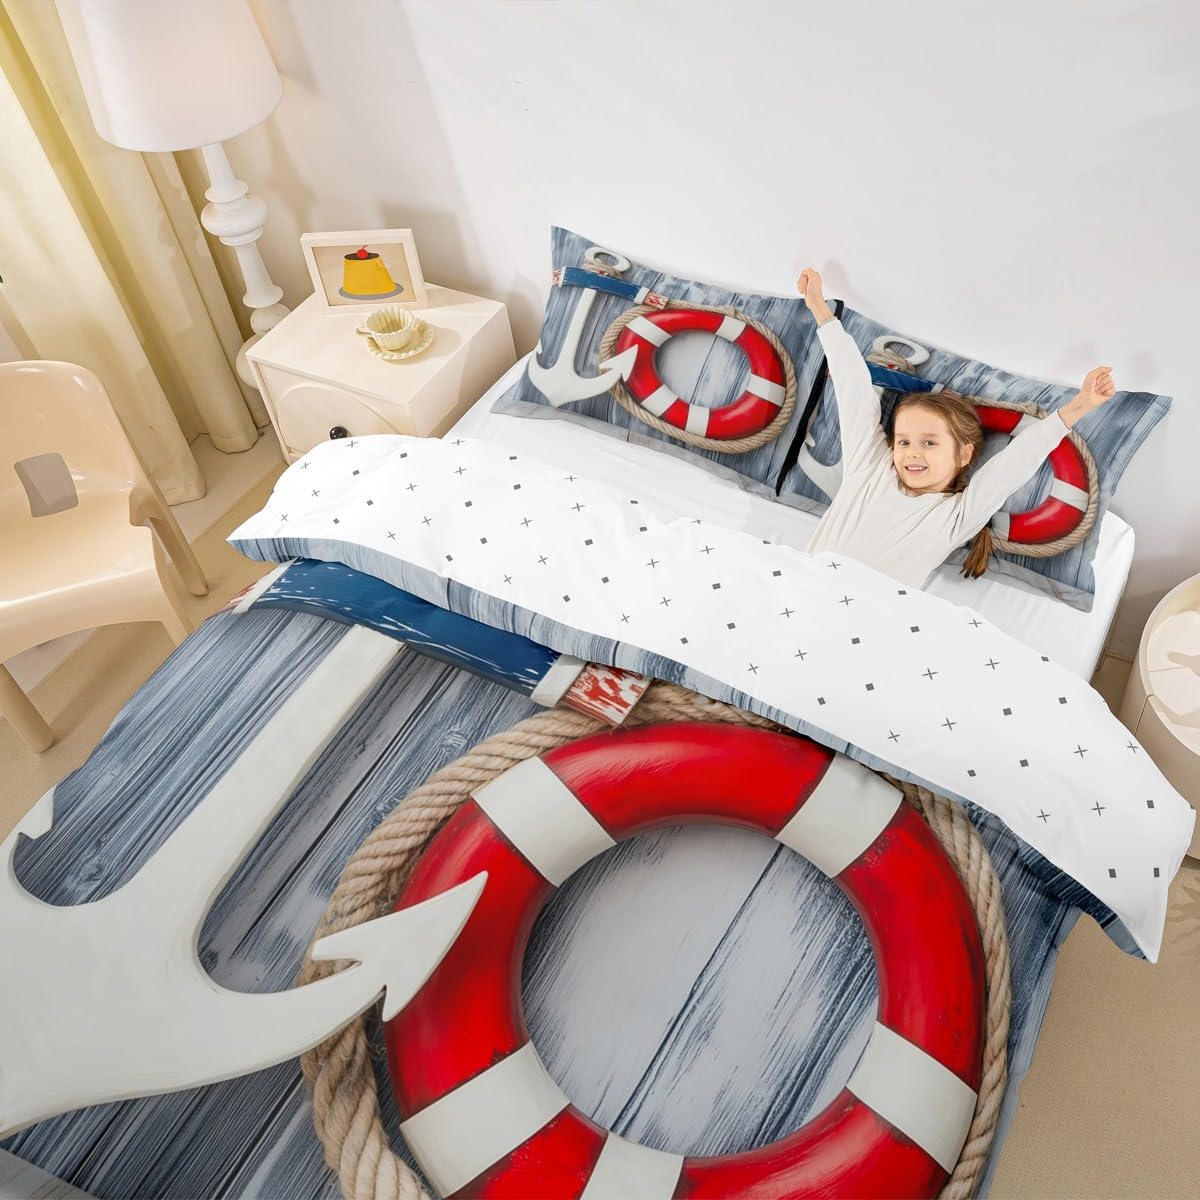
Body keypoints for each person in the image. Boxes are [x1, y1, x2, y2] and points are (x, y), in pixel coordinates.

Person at [796, 267, 1116, 589]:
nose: (912, 453)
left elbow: (1014, 466)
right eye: (904, 442)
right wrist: (821, 310)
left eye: (929, 443)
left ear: (963, 455)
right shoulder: (870, 468)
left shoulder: (956, 516)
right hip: (803, 588)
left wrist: (1079, 406)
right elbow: (853, 387)